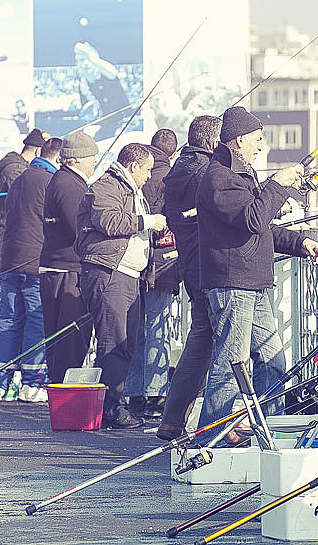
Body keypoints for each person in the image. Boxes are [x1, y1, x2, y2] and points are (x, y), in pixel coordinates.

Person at [195, 107, 318, 441]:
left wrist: (300, 242)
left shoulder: (239, 175)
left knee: (273, 361)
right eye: (257, 139)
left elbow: (260, 228)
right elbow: (252, 219)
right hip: (234, 284)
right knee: (230, 365)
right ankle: (209, 441)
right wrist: (277, 185)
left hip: (253, 283)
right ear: (238, 140)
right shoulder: (219, 177)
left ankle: (269, 433)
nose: (261, 146)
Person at [76, 143, 166, 428]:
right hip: (109, 273)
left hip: (128, 275)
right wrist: (148, 221)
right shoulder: (106, 186)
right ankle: (113, 409)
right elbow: (108, 220)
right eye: (148, 170)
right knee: (113, 344)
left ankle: (115, 405)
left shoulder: (132, 191)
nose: (150, 176)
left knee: (125, 344)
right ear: (133, 166)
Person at [156, 116, 222, 440]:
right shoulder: (205, 172)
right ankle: (218, 424)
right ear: (213, 142)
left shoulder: (178, 170)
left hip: (190, 266)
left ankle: (172, 419)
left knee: (200, 342)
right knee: (226, 346)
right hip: (210, 267)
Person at [0, 136, 62, 402]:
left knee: (8, 321)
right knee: (36, 322)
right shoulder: (50, 182)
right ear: (59, 158)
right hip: (34, 261)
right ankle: (33, 383)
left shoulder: (18, 179)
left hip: (9, 260)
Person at [125, 128, 180, 420]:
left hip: (135, 262)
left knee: (136, 329)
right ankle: (156, 394)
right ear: (172, 152)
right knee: (158, 327)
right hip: (163, 263)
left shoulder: (140, 177)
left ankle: (133, 394)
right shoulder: (170, 177)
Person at [39, 132, 97, 384]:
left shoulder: (61, 180)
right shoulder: (70, 185)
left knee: (58, 338)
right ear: (77, 160)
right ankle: (65, 397)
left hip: (57, 267)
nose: (94, 162)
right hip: (67, 270)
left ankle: (59, 392)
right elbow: (79, 227)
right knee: (69, 339)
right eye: (91, 157)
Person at [0, 128, 44, 275]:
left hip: (8, 245)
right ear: (38, 152)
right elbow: (27, 202)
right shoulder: (16, 171)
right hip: (8, 246)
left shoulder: (15, 168)